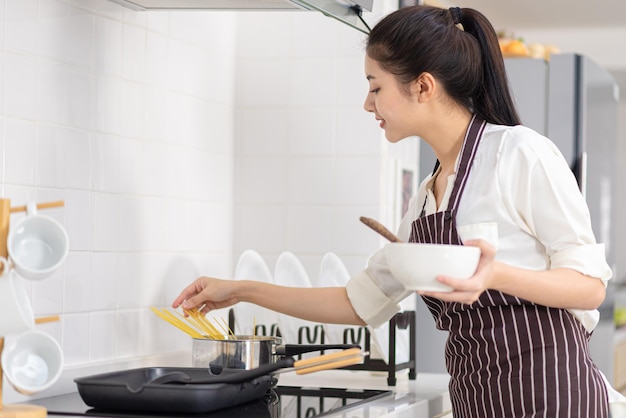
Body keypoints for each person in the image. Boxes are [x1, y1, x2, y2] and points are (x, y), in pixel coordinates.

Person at [173, 6, 621, 417]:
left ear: (423, 86)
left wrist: (496, 275)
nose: (368, 104)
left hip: (555, 397)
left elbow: (588, 287)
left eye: (375, 87)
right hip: (476, 399)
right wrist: (243, 290)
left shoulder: (519, 153)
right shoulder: (424, 201)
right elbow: (357, 301)